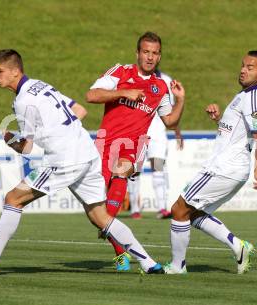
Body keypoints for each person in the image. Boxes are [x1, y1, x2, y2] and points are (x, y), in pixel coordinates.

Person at [0, 49, 165, 278]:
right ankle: (149, 263)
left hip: (64, 159)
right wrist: (58, 130)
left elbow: (27, 147)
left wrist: (10, 140)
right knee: (100, 216)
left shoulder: (23, 101)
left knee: (13, 199)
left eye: (0, 72)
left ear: (15, 71)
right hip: (87, 153)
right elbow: (80, 110)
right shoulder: (41, 85)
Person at [86, 32, 186, 271]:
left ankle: (108, 224)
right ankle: (120, 250)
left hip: (132, 145)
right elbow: (91, 95)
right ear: (138, 53)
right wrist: (123, 92)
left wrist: (180, 100)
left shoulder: (160, 87)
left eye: (155, 53)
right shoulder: (120, 72)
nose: (150, 57)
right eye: (146, 52)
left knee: (121, 173)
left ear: (159, 56)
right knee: (94, 209)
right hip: (104, 143)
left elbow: (170, 121)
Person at [164, 50, 257, 274]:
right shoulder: (245, 94)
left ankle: (177, 266)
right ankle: (238, 246)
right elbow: (237, 133)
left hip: (224, 168)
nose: (243, 70)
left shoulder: (254, 98)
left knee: (179, 209)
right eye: (243, 65)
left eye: (250, 68)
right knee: (193, 214)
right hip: (228, 167)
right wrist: (219, 120)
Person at [127, 71, 184, 220]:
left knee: (158, 168)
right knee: (135, 170)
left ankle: (162, 208)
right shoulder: (134, 78)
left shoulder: (166, 80)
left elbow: (172, 109)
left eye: (155, 53)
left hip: (157, 135)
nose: (151, 57)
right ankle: (135, 209)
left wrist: (177, 131)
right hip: (138, 133)